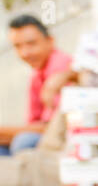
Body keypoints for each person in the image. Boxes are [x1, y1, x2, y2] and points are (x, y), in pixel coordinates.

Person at [1, 15, 74, 156]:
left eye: (31, 43)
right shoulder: (36, 74)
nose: (25, 53)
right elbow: (33, 124)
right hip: (46, 133)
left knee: (24, 142)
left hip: (66, 136)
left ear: (50, 41)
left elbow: (55, 128)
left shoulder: (60, 66)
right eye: (18, 46)